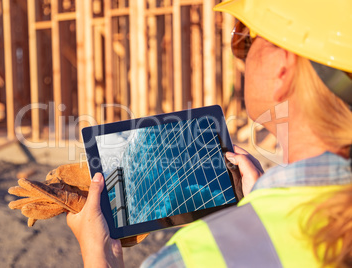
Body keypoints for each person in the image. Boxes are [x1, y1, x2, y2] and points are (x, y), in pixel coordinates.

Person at [67, 0, 352, 267]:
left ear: (282, 69)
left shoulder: (195, 256)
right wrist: (264, 200)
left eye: (246, 38)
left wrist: (99, 255)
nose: (241, 56)